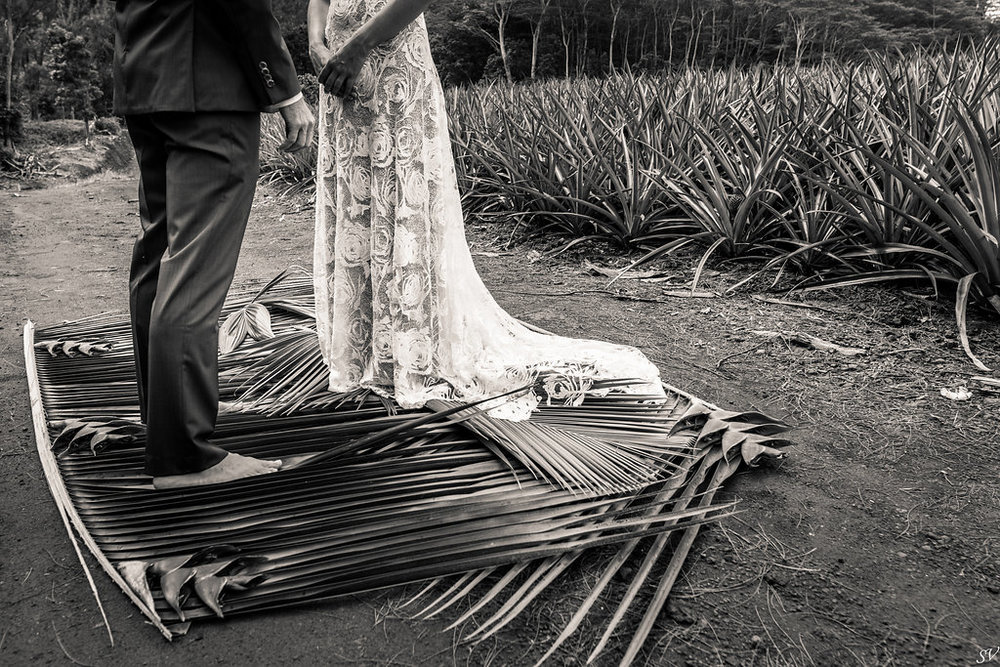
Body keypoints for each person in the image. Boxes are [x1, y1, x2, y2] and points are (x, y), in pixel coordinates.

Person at [308, 0, 665, 419]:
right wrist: (318, 43)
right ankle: (364, 349)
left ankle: (406, 352)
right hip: (339, 74)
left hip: (390, 66)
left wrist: (359, 46)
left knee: (399, 199)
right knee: (358, 204)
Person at [112, 0, 316, 489]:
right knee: (194, 268)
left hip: (145, 80)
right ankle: (184, 455)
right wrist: (286, 91)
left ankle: (163, 416)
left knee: (158, 256)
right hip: (208, 89)